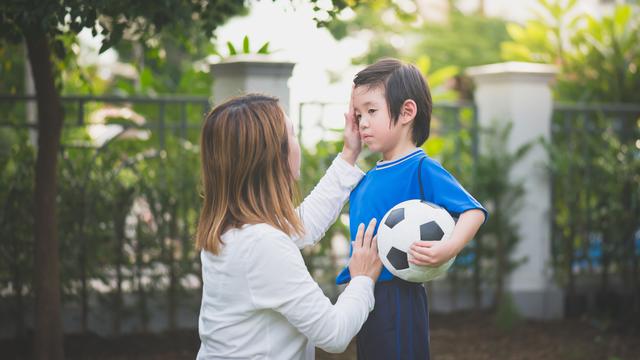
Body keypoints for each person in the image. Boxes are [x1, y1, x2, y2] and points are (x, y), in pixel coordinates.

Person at [195, 93, 382, 359]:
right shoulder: (261, 244)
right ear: (272, 155)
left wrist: (349, 154)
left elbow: (302, 224)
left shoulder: (236, 230)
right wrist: (363, 279)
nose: (297, 144)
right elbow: (334, 333)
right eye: (292, 134)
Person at [335, 58, 488, 359]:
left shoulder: (421, 169)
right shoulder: (366, 179)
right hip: (364, 293)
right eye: (357, 114)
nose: (362, 122)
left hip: (399, 297)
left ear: (406, 112)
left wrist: (450, 247)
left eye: (371, 111)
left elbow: (473, 211)